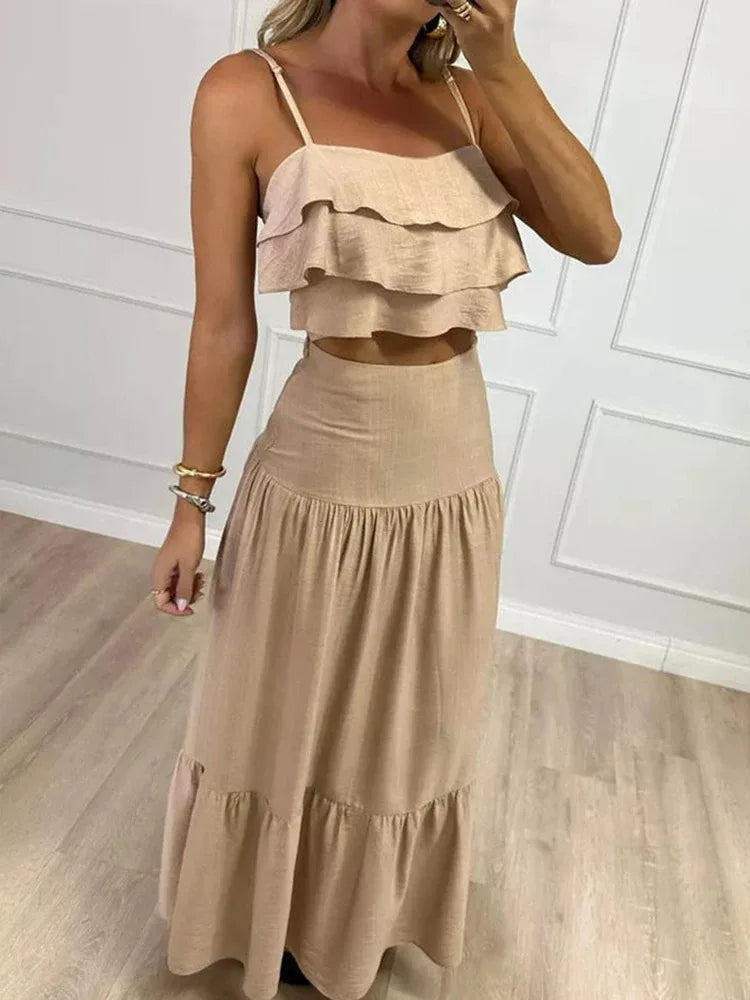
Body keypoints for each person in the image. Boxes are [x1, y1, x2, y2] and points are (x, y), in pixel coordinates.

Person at [152, 1, 621, 998]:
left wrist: (504, 62)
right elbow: (222, 322)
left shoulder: (470, 93)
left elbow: (597, 235)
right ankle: (262, 919)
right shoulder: (247, 91)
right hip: (318, 468)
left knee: (406, 730)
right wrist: (192, 499)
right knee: (276, 716)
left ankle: (353, 925)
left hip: (451, 476)